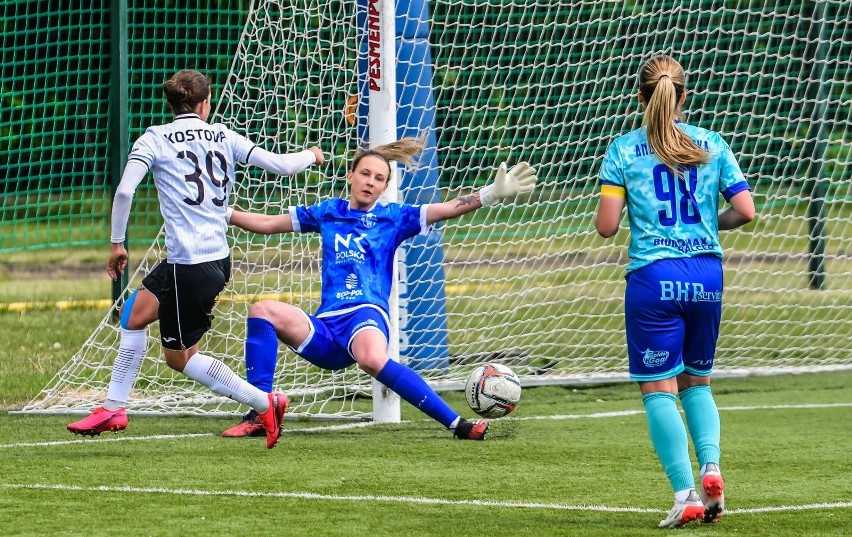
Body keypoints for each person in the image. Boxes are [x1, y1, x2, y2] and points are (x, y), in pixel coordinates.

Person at [67, 69, 326, 449]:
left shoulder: (154, 137)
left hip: (190, 267)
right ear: (205, 103)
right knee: (135, 314)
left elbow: (124, 192)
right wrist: (313, 154)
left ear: (171, 104)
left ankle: (265, 402)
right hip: (203, 261)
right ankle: (113, 408)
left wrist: (118, 243)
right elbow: (282, 166)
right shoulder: (222, 134)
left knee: (181, 359)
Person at [219, 137, 536, 441]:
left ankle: (458, 424)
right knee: (262, 310)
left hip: (366, 316)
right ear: (351, 176)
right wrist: (222, 213)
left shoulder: (394, 217)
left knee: (371, 358)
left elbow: (448, 208)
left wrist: (491, 193)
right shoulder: (328, 211)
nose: (371, 181)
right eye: (365, 173)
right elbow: (267, 224)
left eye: (379, 178)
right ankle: (260, 413)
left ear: (386, 186)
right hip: (327, 325)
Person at [594, 54, 755, 528]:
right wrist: (708, 225)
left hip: (653, 278)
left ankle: (685, 493)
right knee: (698, 381)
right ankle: (712, 468)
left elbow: (606, 227)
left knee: (659, 389)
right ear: (683, 95)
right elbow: (745, 210)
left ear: (640, 97)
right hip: (707, 276)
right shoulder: (711, 142)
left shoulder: (624, 150)